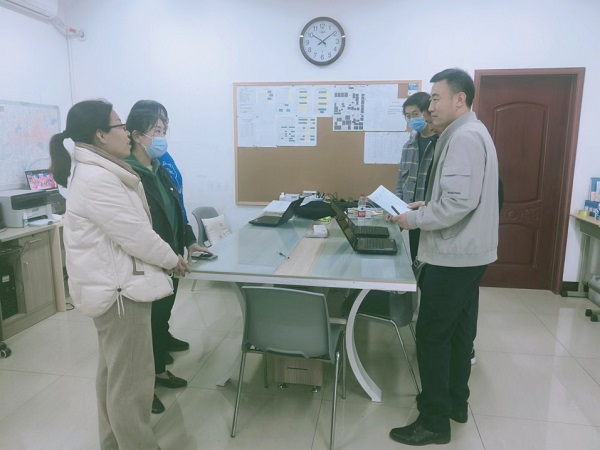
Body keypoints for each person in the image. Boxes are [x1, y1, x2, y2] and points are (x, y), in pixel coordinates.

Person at [49, 99, 189, 449]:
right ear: (100, 134)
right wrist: (171, 259)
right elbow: (135, 234)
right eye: (120, 126)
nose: (127, 132)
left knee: (114, 376)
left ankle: (113, 443)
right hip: (120, 293)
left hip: (114, 289)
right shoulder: (98, 179)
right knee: (131, 385)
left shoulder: (100, 171)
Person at [388, 68, 499, 446]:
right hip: (469, 252)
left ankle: (434, 420)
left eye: (436, 98)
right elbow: (459, 197)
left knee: (432, 334)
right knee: (458, 332)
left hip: (454, 254)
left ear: (460, 99)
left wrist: (414, 219)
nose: (430, 107)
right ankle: (455, 403)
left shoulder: (463, 138)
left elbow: (457, 203)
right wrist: (426, 205)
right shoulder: (469, 132)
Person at [125, 107, 210, 414]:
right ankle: (143, 388)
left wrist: (189, 241)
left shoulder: (159, 167)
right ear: (137, 136)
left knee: (160, 319)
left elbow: (177, 208)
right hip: (149, 261)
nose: (162, 137)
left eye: (164, 130)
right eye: (156, 131)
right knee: (145, 327)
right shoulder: (129, 173)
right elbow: (137, 229)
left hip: (171, 257)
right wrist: (166, 256)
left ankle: (159, 371)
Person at [395, 92, 438, 262]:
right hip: (411, 217)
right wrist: (395, 208)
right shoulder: (409, 146)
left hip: (433, 216)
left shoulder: (440, 143)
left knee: (430, 264)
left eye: (416, 114)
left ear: (427, 113)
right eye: (408, 116)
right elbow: (401, 181)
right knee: (415, 260)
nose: (412, 119)